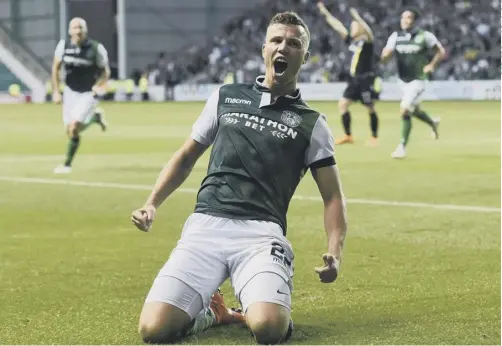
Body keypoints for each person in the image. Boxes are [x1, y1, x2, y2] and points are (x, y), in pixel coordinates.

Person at [131, 11, 348, 345]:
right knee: (153, 329)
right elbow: (187, 156)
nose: (283, 48)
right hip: (205, 228)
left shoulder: (312, 124)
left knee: (268, 328)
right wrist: (152, 203)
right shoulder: (225, 96)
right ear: (264, 48)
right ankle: (213, 313)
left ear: (305, 56)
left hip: (261, 235)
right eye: (276, 40)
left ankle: (260, 303)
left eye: (294, 43)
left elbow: (332, 197)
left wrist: (334, 252)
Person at [380, 9, 445, 159]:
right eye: (403, 17)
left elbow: (440, 51)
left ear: (415, 20)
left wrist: (431, 66)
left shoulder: (425, 36)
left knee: (404, 110)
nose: (404, 20)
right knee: (413, 109)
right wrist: (384, 57)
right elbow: (386, 53)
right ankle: (433, 122)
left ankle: (401, 147)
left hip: (418, 79)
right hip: (402, 81)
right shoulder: (396, 36)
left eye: (408, 18)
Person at [52, 17, 110, 174]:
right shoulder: (63, 45)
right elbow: (55, 68)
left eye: (80, 28)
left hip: (87, 93)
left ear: (85, 30)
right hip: (70, 92)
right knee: (70, 131)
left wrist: (99, 86)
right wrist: (56, 91)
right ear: (70, 30)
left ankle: (67, 165)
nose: (78, 31)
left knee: (74, 127)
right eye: (75, 28)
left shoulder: (96, 48)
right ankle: (95, 118)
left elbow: (105, 72)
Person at [318, 2, 380, 146]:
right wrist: (325, 12)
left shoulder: (368, 42)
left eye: (355, 25)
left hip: (365, 79)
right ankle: (348, 135)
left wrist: (358, 18)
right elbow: (337, 25)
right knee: (343, 105)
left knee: (370, 107)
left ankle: (375, 137)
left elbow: (369, 31)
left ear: (361, 28)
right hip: (354, 80)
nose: (352, 27)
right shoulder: (352, 41)